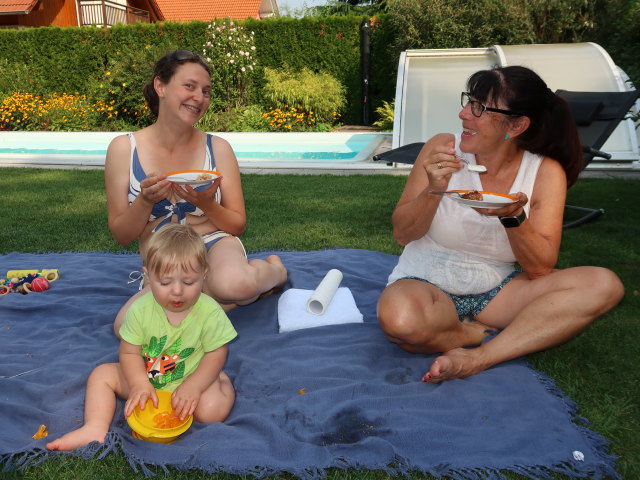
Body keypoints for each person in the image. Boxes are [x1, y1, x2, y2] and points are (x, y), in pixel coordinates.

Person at [377, 65, 624, 383]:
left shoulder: (545, 173)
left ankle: (481, 357)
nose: (463, 113)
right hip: (425, 282)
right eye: (469, 101)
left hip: (498, 291)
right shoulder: (442, 148)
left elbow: (539, 269)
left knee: (603, 284)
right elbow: (402, 233)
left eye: (479, 107)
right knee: (400, 321)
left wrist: (513, 217)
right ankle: (467, 335)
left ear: (517, 124)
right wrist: (434, 189)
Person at [105, 49, 287, 337]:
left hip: (213, 243)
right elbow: (121, 234)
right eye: (189, 86)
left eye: (206, 91)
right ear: (160, 86)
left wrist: (207, 204)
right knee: (126, 327)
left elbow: (237, 224)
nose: (199, 98)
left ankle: (275, 272)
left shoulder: (218, 148)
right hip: (165, 257)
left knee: (236, 285)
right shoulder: (124, 149)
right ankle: (214, 300)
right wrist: (144, 200)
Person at [47, 223, 237, 451]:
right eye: (165, 282)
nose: (177, 291)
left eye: (188, 282)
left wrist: (195, 386)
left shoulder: (210, 311)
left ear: (204, 275)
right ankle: (95, 427)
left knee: (211, 412)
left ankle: (219, 380)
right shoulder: (140, 310)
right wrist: (138, 384)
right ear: (148, 276)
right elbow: (129, 352)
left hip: (190, 376)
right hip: (147, 378)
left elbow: (217, 352)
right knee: (101, 376)